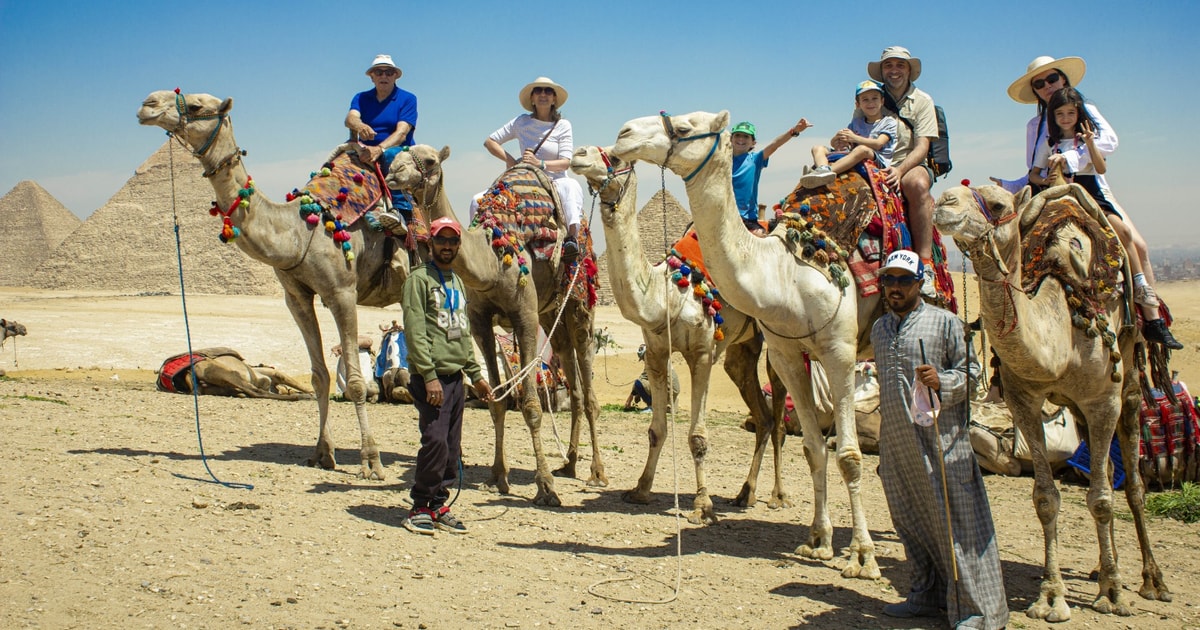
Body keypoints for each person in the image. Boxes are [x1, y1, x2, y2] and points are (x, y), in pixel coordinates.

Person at [993, 56, 1180, 349]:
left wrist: (1070, 158)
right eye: (1039, 83)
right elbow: (1035, 169)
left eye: (1052, 79)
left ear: (1064, 80)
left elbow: (1109, 145)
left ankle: (1150, 317)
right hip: (1054, 190)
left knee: (1134, 243)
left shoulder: (1085, 111)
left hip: (1093, 188)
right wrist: (1010, 185)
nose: (1047, 87)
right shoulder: (1036, 126)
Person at [870, 250, 1009, 630]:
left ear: (919, 283)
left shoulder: (945, 323)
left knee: (958, 527)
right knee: (910, 520)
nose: (895, 288)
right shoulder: (880, 329)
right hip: (898, 446)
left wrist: (942, 381)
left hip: (940, 443)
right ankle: (925, 595)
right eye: (889, 280)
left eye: (903, 280)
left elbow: (972, 373)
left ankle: (978, 613)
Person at [401, 216, 494, 535]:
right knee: (435, 441)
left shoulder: (456, 281)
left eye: (453, 241)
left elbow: (462, 333)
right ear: (431, 243)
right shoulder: (419, 280)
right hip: (432, 378)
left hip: (456, 378)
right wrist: (428, 376)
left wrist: (476, 375)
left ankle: (439, 503)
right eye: (442, 240)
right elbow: (414, 330)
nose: (448, 246)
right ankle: (420, 506)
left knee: (452, 448)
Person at [479, 77, 585, 258]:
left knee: (571, 186)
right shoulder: (521, 122)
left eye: (548, 91)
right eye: (538, 90)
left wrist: (541, 163)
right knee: (479, 200)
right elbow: (490, 141)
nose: (543, 94)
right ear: (532, 98)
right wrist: (513, 163)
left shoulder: (562, 126)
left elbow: (566, 161)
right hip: (526, 177)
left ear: (554, 99)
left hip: (554, 180)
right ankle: (480, 245)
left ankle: (571, 238)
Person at [867, 46, 940, 298]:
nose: (894, 70)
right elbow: (861, 130)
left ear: (909, 70)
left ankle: (926, 264)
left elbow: (922, 146)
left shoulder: (922, 101)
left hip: (911, 164)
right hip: (876, 162)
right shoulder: (871, 96)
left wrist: (899, 170)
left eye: (900, 65)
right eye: (889, 65)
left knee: (917, 185)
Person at [344, 54, 418, 235]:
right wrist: (360, 126)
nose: (384, 76)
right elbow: (350, 118)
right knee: (338, 161)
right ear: (372, 76)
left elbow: (401, 133)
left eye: (389, 72)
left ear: (395, 76)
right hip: (365, 148)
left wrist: (379, 149)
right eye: (379, 72)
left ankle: (401, 211)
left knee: (392, 156)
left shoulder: (407, 99)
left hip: (396, 148)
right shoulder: (361, 98)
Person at [802, 80, 897, 189]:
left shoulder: (889, 122)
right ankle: (822, 168)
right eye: (865, 99)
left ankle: (826, 172)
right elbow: (835, 143)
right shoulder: (856, 122)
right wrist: (837, 139)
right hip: (853, 153)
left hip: (877, 158)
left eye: (874, 98)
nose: (870, 103)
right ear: (858, 104)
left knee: (862, 149)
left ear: (882, 101)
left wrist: (854, 138)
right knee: (817, 148)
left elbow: (879, 144)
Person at [730, 118, 812, 234]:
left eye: (746, 136)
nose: (741, 139)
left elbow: (775, 145)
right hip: (723, 214)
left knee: (760, 237)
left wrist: (794, 130)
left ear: (753, 143)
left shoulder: (755, 159)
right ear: (731, 139)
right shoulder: (722, 160)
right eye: (737, 135)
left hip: (746, 218)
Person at [623, 344, 680, 412]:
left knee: (638, 383)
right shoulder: (660, 356)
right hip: (672, 392)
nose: (644, 360)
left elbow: (640, 381)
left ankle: (653, 406)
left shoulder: (652, 361)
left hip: (668, 390)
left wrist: (630, 398)